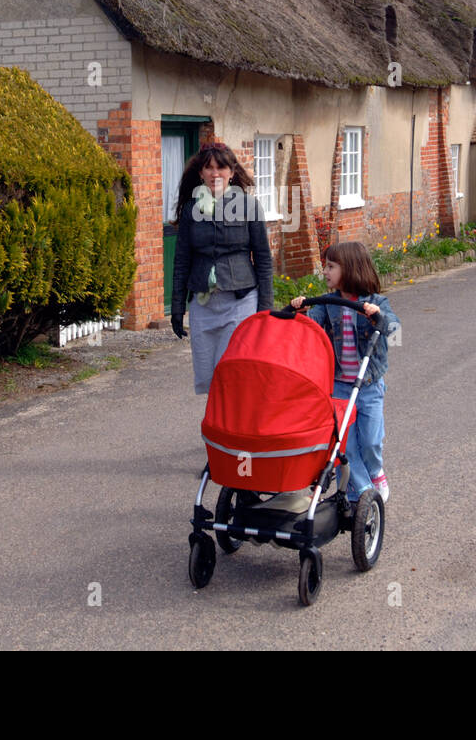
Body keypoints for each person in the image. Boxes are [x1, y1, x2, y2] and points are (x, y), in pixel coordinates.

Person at [290, 242, 398, 506]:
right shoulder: (328, 305)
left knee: (371, 440)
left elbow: (394, 327)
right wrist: (300, 311)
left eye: (330, 266)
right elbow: (311, 325)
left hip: (369, 384)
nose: (324, 271)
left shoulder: (376, 302)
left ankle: (376, 473)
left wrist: (378, 317)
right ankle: (361, 493)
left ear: (349, 269)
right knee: (344, 445)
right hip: (339, 385)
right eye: (325, 266)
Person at [170, 142, 273, 394]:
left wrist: (265, 309)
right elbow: (181, 260)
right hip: (203, 305)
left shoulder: (249, 207)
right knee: (208, 376)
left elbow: (263, 258)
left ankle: (233, 430)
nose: (215, 173)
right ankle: (218, 430)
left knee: (231, 371)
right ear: (201, 173)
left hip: (241, 301)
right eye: (209, 168)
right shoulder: (191, 211)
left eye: (221, 167)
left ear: (232, 171)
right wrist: (176, 308)